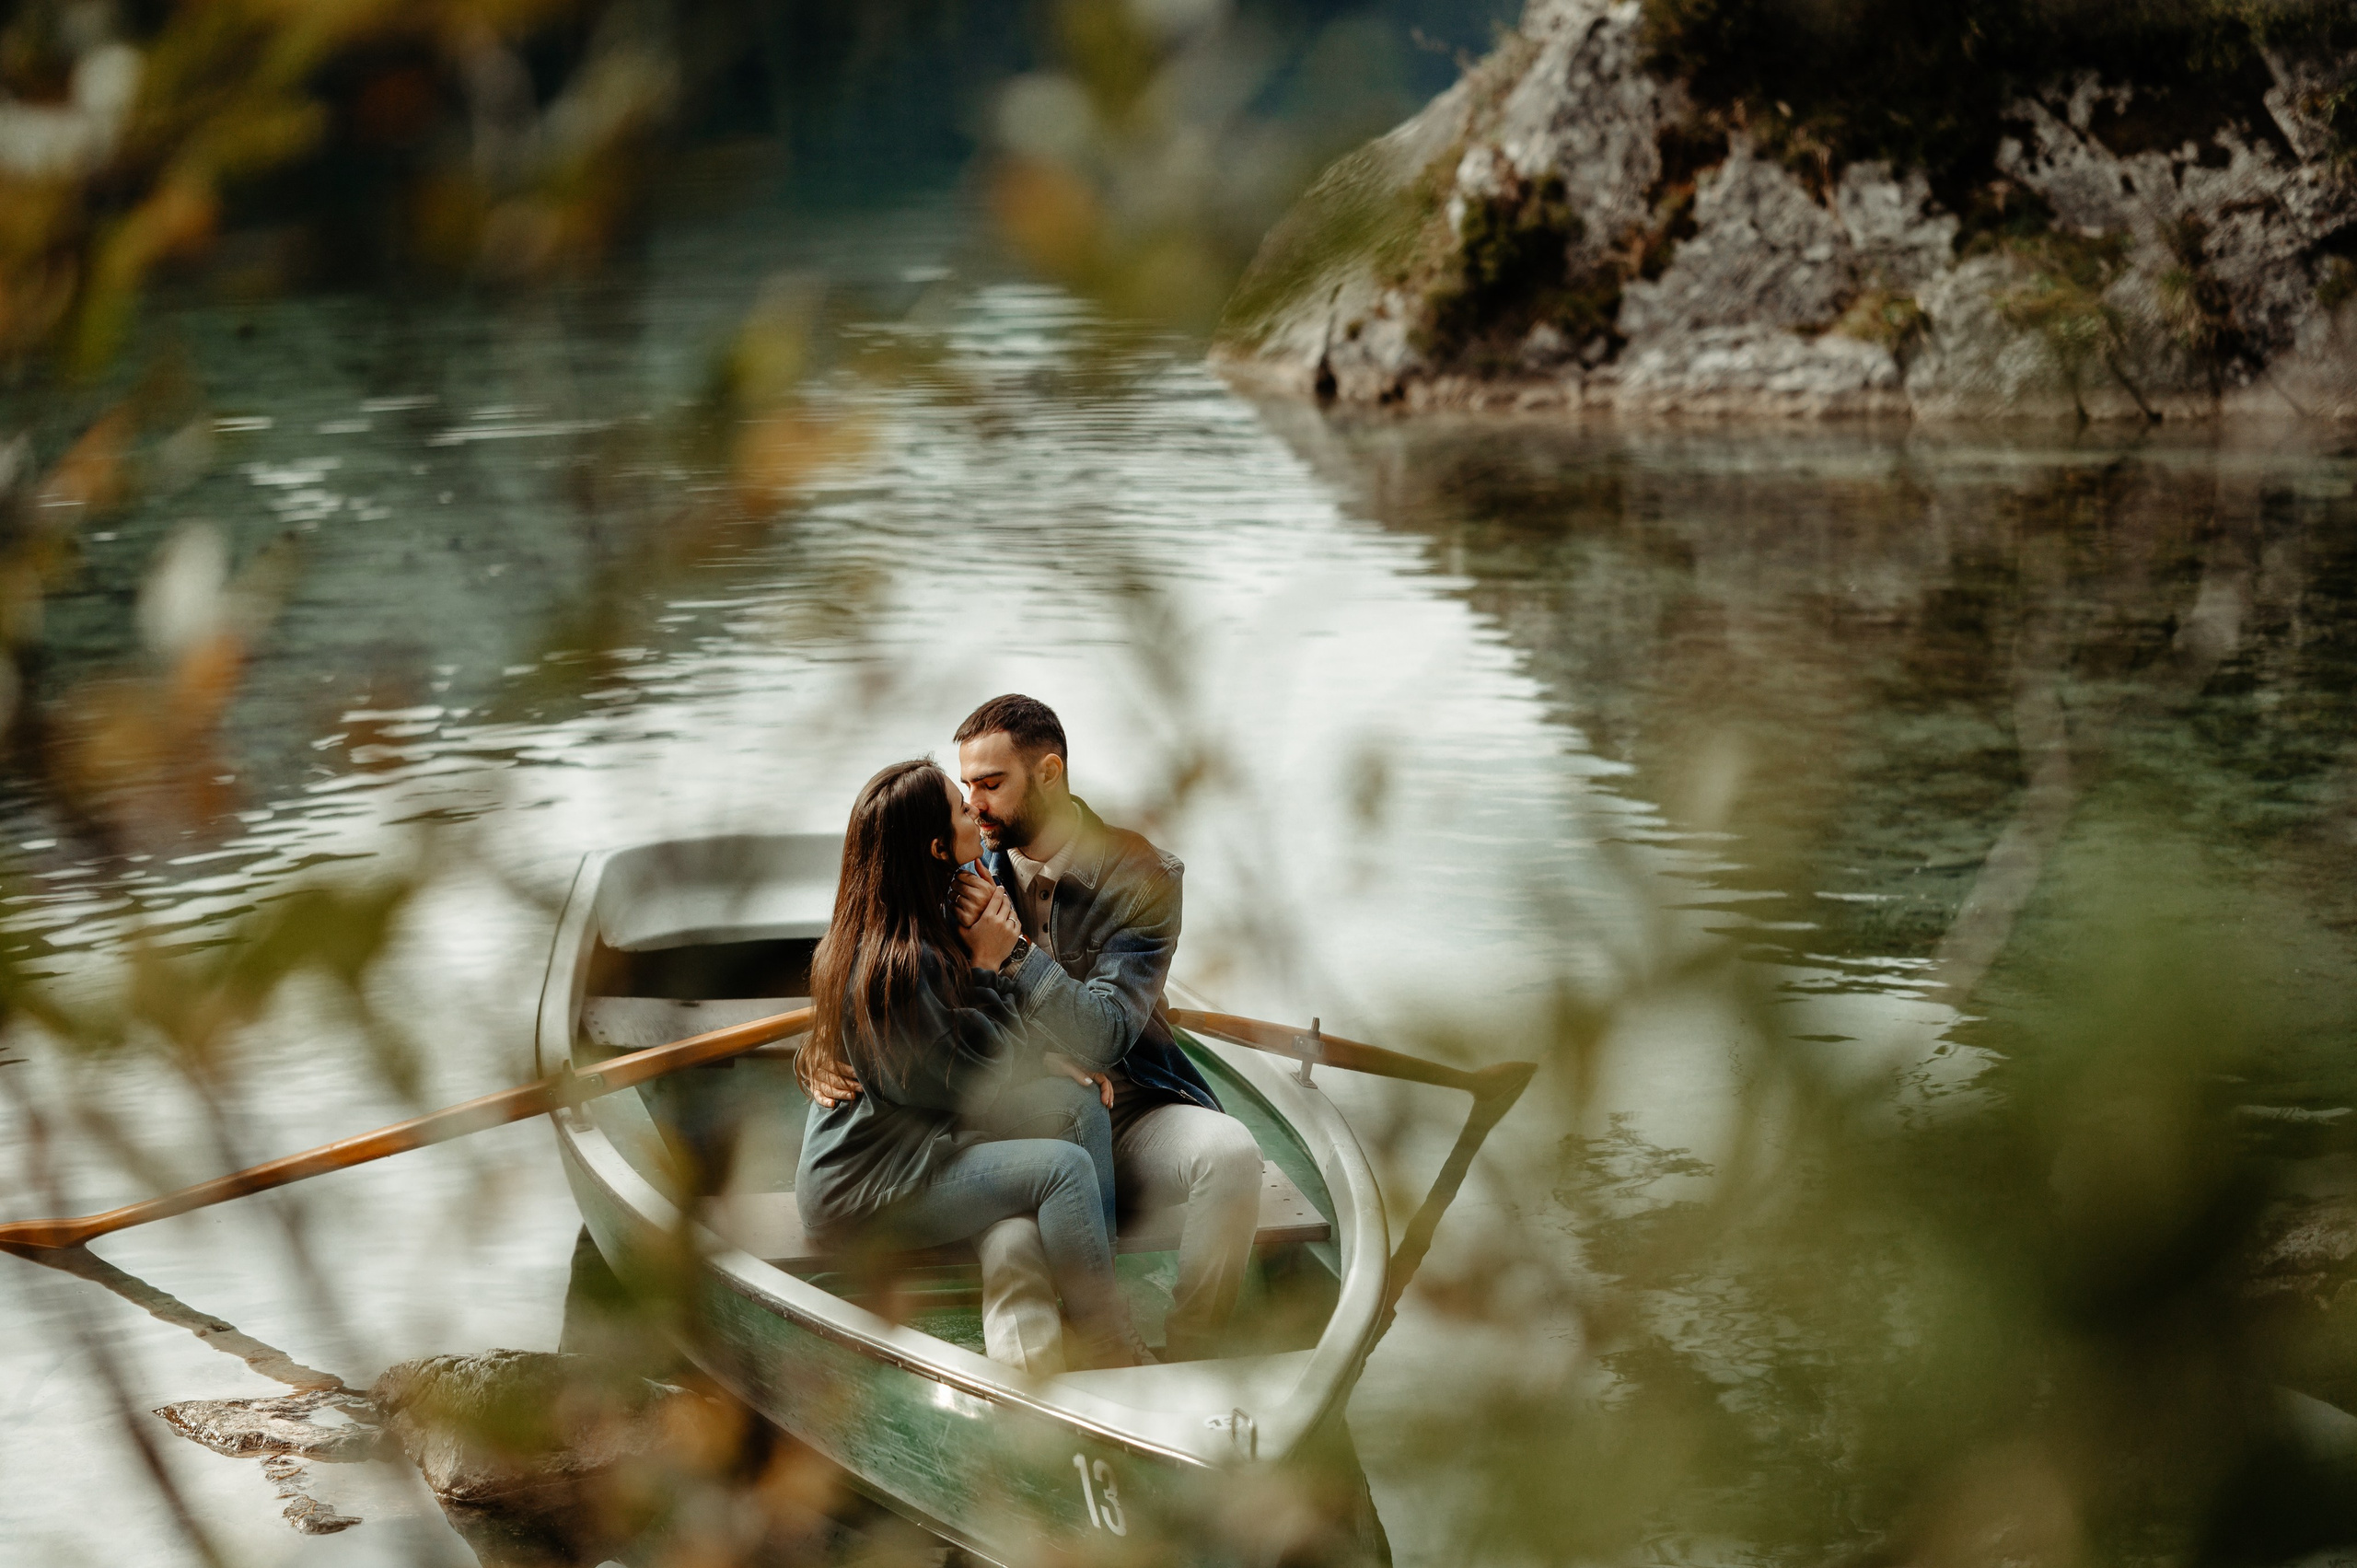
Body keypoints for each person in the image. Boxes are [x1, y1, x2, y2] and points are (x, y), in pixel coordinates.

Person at [792, 758, 1144, 1370]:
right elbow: (972, 1082)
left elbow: (969, 1039)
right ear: (936, 847)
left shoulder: (924, 919)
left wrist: (1030, 1040)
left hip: (921, 1138)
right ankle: (1110, 1346)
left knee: (1079, 1104)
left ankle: (1094, 1296)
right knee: (1062, 1170)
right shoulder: (899, 964)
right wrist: (990, 966)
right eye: (961, 808)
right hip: (867, 1186)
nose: (975, 813)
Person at [953, 694, 1262, 1366]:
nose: (974, 805)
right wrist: (830, 1053)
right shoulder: (962, 866)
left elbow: (1105, 1036)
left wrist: (1015, 956)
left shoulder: (1143, 876)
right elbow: (884, 968)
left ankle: (1191, 1361)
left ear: (1050, 773)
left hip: (1129, 1110)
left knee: (1233, 1155)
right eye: (966, 786)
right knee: (1012, 1249)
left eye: (991, 784)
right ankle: (1040, 1399)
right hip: (1011, 1121)